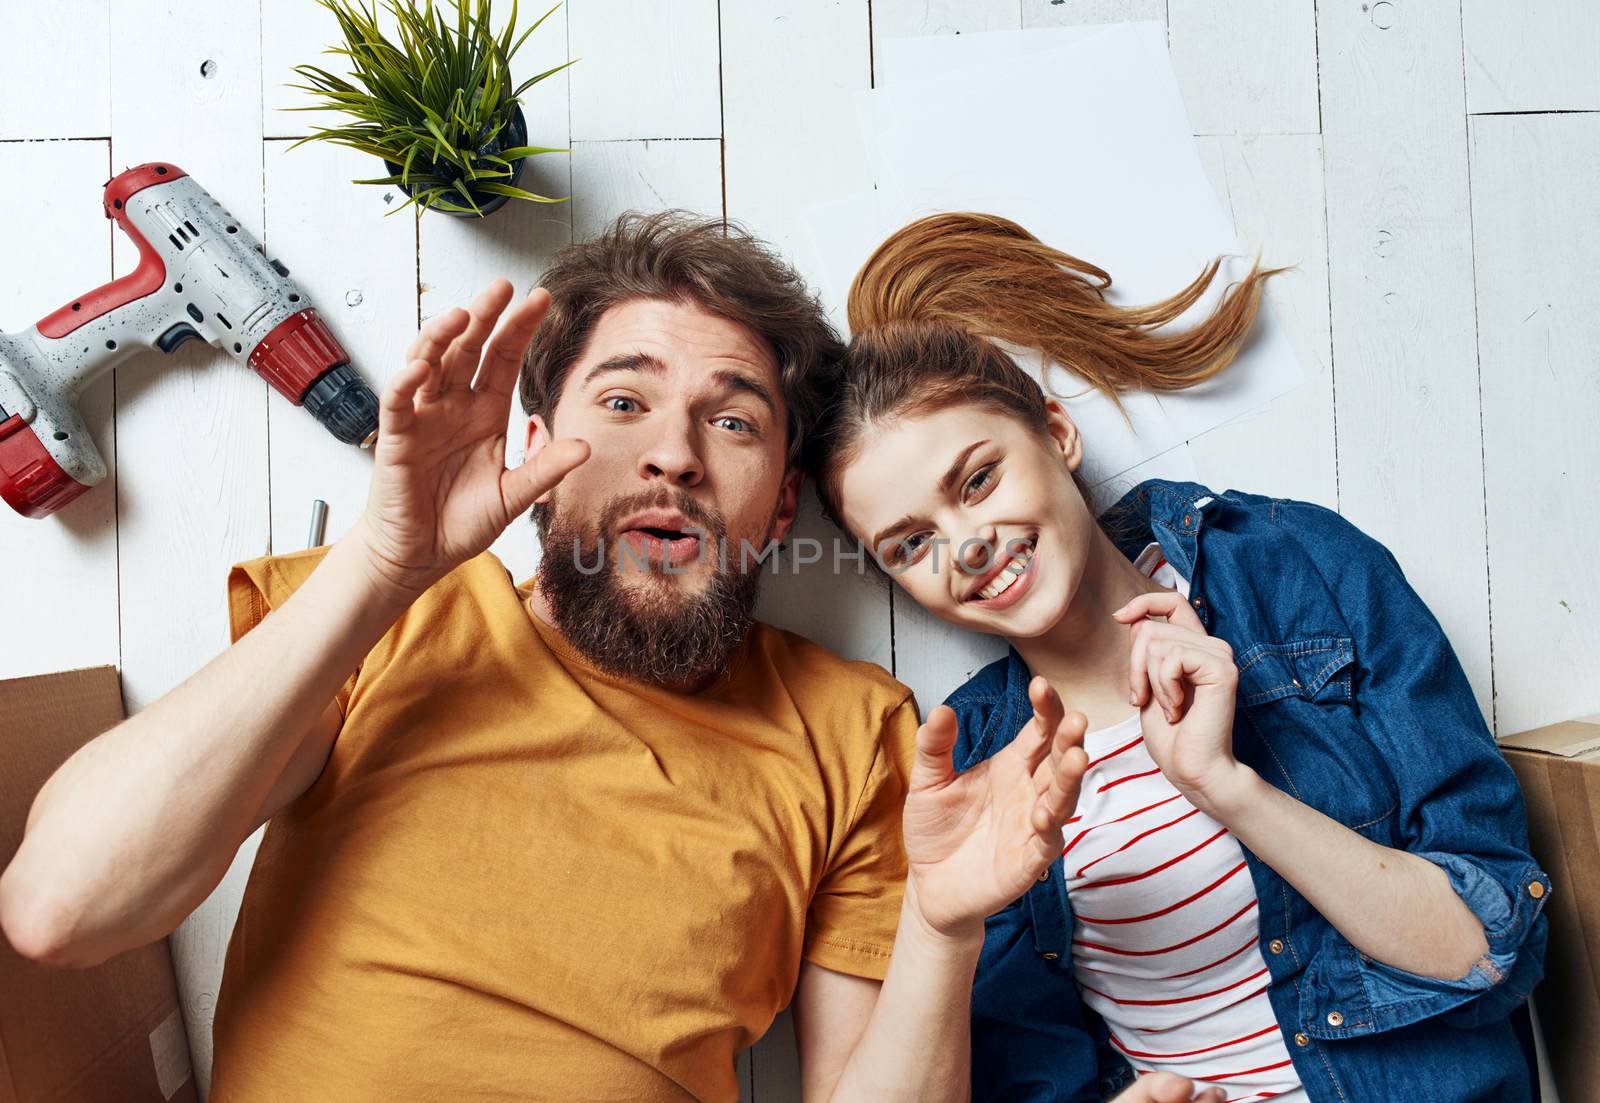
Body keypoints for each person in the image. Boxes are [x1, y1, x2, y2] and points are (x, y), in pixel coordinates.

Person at [0, 211, 1221, 1103]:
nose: (676, 455)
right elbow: (62, 909)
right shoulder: (377, 612)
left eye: (732, 419)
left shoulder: (861, 734)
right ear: (537, 443)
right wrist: (382, 566)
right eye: (625, 403)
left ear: (783, 501)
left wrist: (946, 931)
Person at [802, 211, 1551, 1103]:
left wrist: (1226, 784)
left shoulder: (1293, 569)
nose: (967, 544)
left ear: (1055, 433)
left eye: (977, 480)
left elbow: (1492, 950)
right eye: (911, 542)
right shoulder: (980, 767)